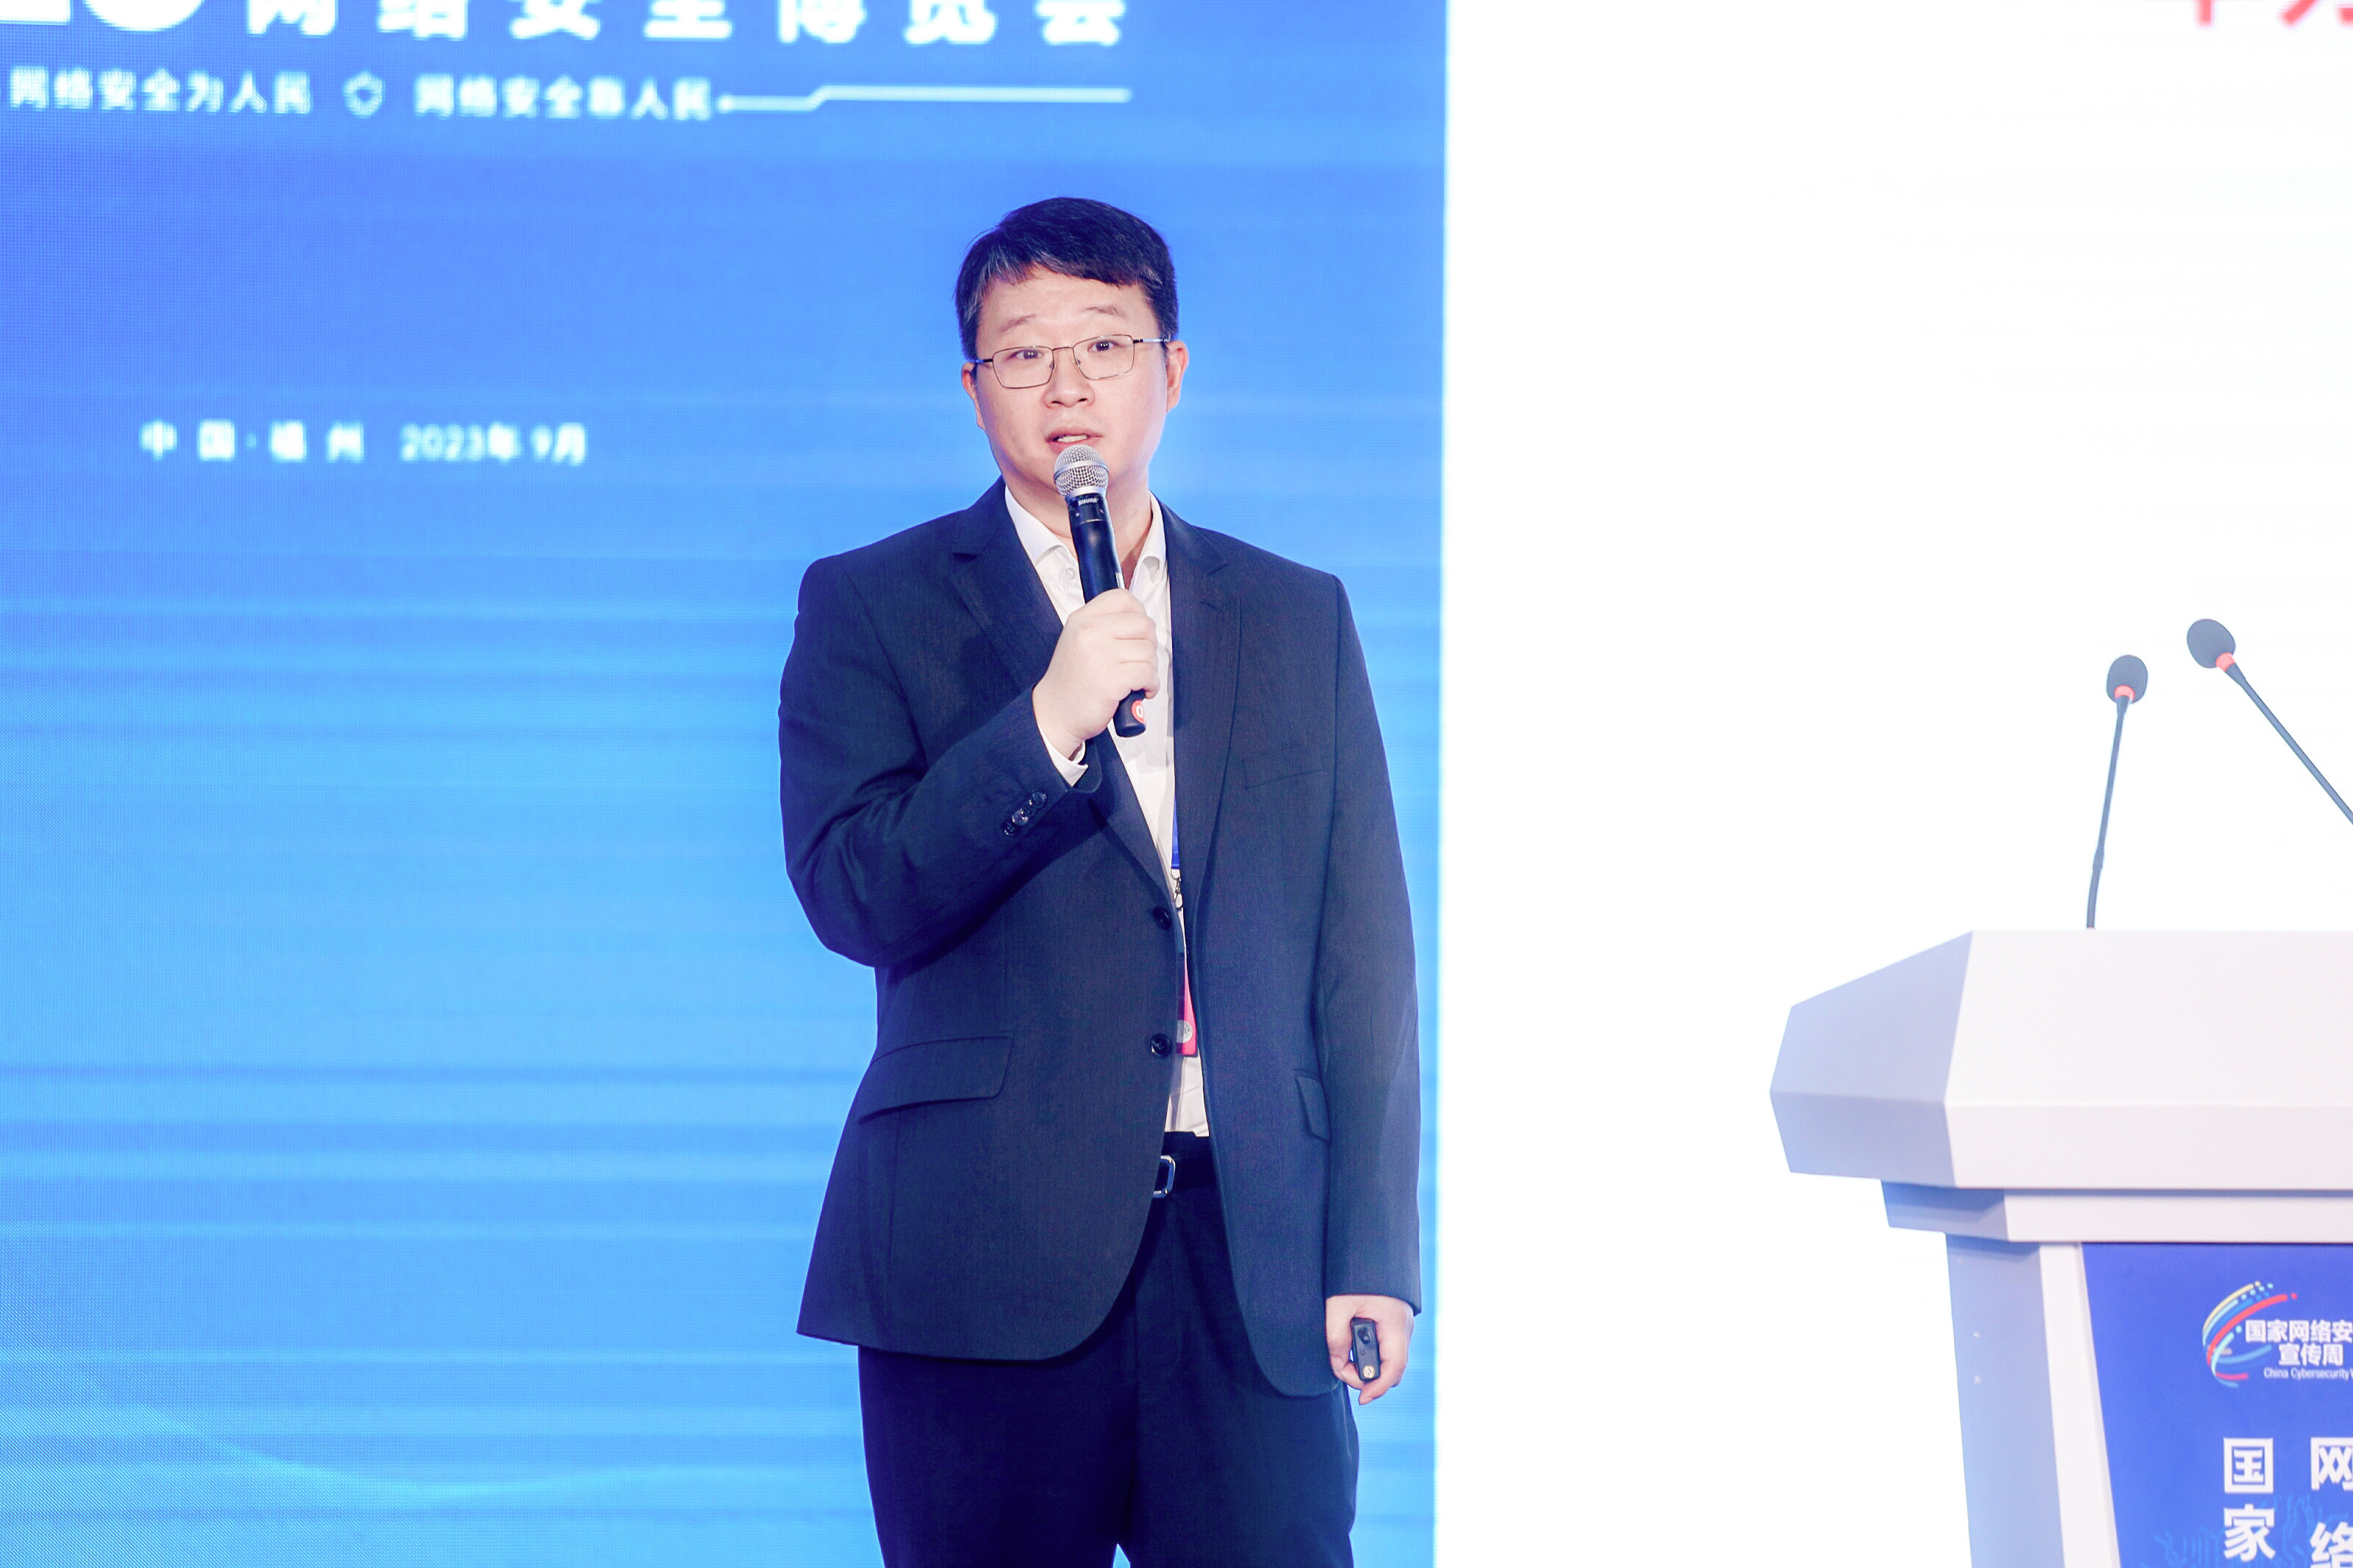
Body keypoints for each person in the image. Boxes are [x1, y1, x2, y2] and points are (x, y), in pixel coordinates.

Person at [776, 196, 1421, 1568]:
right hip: (983, 1251)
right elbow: (853, 889)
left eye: (1106, 345)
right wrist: (1044, 726)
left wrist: (1371, 1243)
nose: (1067, 386)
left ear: (1171, 371)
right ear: (974, 389)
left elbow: (1361, 951)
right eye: (1025, 354)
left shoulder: (1295, 612)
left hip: (1249, 1251)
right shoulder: (872, 601)